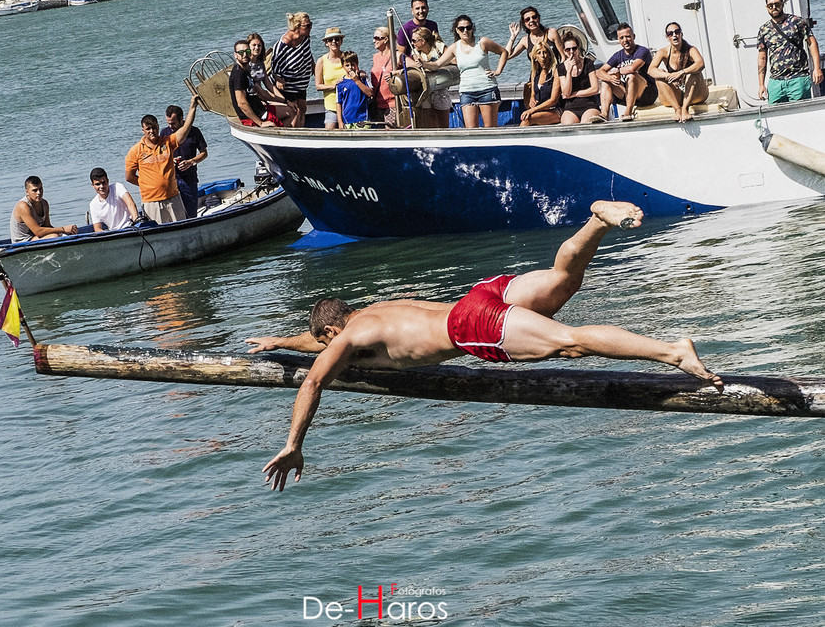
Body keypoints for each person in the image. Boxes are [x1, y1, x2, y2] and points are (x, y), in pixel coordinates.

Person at [248, 200, 724, 491]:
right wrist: (278, 341)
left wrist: (293, 444)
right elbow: (317, 344)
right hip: (480, 294)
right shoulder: (373, 312)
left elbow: (314, 378)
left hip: (471, 324)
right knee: (564, 280)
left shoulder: (348, 338)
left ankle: (672, 351)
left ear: (332, 333)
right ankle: (597, 221)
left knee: (571, 342)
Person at [418, 15, 508, 128]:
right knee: (471, 131)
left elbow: (503, 52)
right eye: (461, 28)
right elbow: (437, 64)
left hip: (487, 89)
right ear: (457, 30)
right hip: (467, 91)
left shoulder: (483, 42)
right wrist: (424, 64)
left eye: (468, 27)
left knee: (490, 129)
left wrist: (498, 71)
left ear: (472, 28)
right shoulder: (454, 47)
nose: (465, 31)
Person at [124, 94, 201, 224]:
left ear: (158, 126)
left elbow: (185, 128)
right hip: (151, 202)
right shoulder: (135, 150)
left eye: (154, 127)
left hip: (173, 198)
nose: (152, 131)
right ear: (143, 130)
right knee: (158, 232)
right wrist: (147, 184)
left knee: (181, 229)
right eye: (148, 129)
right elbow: (129, 177)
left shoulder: (167, 142)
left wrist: (193, 106)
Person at [758, 0, 823, 103]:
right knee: (774, 116)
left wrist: (817, 68)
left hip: (798, 78)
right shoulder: (764, 29)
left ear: (782, 4)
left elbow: (812, 43)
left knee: (799, 114)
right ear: (766, 7)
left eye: (777, 4)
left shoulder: (796, 22)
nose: (774, 7)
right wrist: (761, 85)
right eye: (770, 5)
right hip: (776, 82)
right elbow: (762, 58)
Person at [648, 23, 709, 122]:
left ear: (681, 34)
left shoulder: (691, 49)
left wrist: (682, 72)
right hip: (676, 95)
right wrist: (669, 75)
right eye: (670, 33)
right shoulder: (663, 52)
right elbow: (651, 70)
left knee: (694, 72)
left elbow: (700, 63)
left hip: (695, 95)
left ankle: (685, 108)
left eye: (677, 32)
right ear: (667, 37)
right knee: (659, 75)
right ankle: (677, 109)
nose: (674, 35)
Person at [597, 23, 657, 121]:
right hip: (628, 93)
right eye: (622, 38)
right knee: (605, 81)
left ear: (634, 36)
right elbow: (600, 72)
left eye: (628, 36)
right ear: (618, 40)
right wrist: (610, 78)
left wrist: (616, 71)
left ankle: (628, 112)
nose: (625, 40)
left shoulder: (642, 51)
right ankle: (604, 114)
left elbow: (632, 68)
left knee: (632, 75)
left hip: (647, 94)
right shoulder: (618, 55)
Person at [159, 104, 208, 218]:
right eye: (168, 123)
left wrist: (191, 161)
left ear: (182, 119)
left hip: (189, 180)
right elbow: (160, 156)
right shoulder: (164, 133)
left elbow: (204, 153)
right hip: (171, 180)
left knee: (191, 214)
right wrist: (171, 160)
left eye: (173, 123)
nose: (170, 126)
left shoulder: (194, 131)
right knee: (173, 215)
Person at [271, 11, 315, 127]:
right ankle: (293, 135)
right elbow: (274, 63)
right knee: (295, 111)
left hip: (301, 83)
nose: (310, 27)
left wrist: (313, 66)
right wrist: (278, 78)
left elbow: (308, 53)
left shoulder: (305, 38)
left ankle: (301, 131)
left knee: (303, 108)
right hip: (288, 83)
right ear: (297, 27)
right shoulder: (285, 42)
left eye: (311, 24)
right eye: (307, 26)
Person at [247, 32, 298, 125]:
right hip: (255, 101)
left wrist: (284, 100)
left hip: (263, 99)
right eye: (254, 45)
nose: (257, 48)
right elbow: (261, 92)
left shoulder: (260, 63)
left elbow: (269, 84)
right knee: (289, 111)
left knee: (293, 109)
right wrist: (284, 101)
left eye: (259, 45)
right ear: (248, 47)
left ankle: (283, 134)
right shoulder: (246, 66)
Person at [229, 39, 282, 129]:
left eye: (247, 51)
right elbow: (242, 103)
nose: (245, 55)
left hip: (259, 108)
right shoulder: (238, 74)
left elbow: (261, 92)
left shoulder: (245, 70)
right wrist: (260, 123)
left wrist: (283, 100)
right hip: (253, 117)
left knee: (290, 111)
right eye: (241, 52)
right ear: (235, 55)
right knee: (282, 120)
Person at [406, 26, 452, 128]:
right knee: (429, 123)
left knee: (443, 124)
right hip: (426, 91)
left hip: (441, 88)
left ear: (422, 41)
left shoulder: (439, 47)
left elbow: (453, 61)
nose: (412, 43)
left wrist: (437, 65)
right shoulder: (415, 52)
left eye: (414, 41)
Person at [9, 175, 76, 242]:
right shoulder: (23, 206)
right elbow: (38, 232)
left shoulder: (44, 203)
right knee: (54, 236)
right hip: (23, 242)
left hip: (37, 237)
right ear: (27, 192)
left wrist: (68, 231)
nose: (39, 193)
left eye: (40, 189)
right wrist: (63, 229)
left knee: (63, 234)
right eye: (34, 190)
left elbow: (47, 226)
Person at [558, 32, 602, 124]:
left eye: (574, 48)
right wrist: (569, 71)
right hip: (571, 108)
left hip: (589, 105)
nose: (571, 52)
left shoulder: (588, 63)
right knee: (567, 126)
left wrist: (575, 94)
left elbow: (595, 89)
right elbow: (566, 92)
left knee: (585, 124)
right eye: (568, 50)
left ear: (578, 48)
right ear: (564, 51)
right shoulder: (561, 67)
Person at [520, 41, 561, 126]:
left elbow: (553, 100)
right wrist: (532, 98)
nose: (542, 56)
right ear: (535, 57)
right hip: (539, 110)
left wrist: (533, 110)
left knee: (527, 120)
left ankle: (516, 139)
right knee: (525, 117)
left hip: (555, 110)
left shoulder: (556, 71)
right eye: (539, 53)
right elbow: (533, 94)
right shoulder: (534, 73)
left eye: (545, 52)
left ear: (550, 55)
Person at [87, 167, 139, 232]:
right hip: (114, 232)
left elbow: (130, 204)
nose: (101, 186)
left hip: (131, 226)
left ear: (108, 181)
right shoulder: (93, 205)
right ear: (93, 185)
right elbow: (97, 228)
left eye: (104, 183)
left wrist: (136, 221)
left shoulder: (117, 187)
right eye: (98, 184)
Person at [315, 27, 347, 130]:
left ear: (341, 41)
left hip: (348, 104)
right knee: (329, 132)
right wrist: (334, 86)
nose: (334, 42)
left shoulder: (347, 58)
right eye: (330, 40)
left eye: (337, 39)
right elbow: (318, 85)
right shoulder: (321, 61)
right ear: (326, 43)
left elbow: (355, 76)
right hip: (331, 107)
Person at [336, 51, 374, 129]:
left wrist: (357, 81)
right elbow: (338, 103)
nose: (350, 67)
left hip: (363, 119)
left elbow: (370, 93)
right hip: (347, 120)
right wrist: (340, 121)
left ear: (356, 64)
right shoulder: (341, 84)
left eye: (352, 65)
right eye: (347, 65)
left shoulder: (363, 78)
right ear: (343, 66)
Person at [370, 26, 397, 127]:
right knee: (380, 135)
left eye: (377, 38)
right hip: (378, 104)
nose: (374, 41)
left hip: (392, 104)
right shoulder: (375, 57)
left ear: (385, 40)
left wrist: (397, 73)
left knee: (390, 134)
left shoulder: (396, 55)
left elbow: (413, 68)